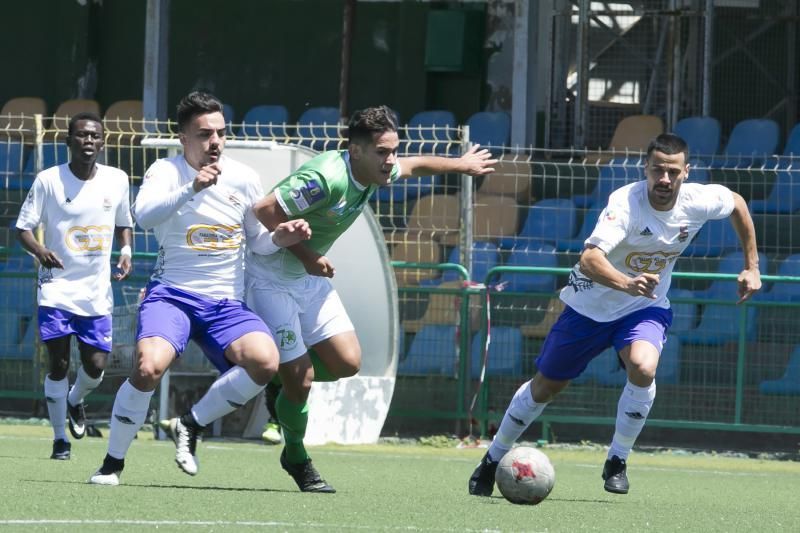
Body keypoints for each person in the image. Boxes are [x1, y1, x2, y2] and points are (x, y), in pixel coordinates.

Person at [468, 133, 762, 496]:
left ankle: (617, 460)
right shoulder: (625, 203)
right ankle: (492, 458)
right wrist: (625, 283)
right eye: (657, 170)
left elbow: (736, 203)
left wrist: (753, 266)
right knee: (546, 386)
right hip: (589, 308)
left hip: (644, 307)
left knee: (643, 366)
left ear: (686, 172)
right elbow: (589, 259)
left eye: (672, 172)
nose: (664, 180)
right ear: (646, 169)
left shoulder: (699, 200)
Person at [245, 105, 496, 492]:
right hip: (271, 279)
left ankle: (281, 378)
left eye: (393, 150)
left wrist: (460, 165)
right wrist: (309, 256)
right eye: (382, 152)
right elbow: (262, 211)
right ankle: (296, 456)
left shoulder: (374, 169)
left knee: (347, 363)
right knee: (304, 380)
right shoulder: (326, 178)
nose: (391, 160)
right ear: (356, 150)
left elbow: (414, 166)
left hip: (307, 280)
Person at [88, 91, 311, 485]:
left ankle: (190, 425)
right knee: (147, 367)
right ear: (183, 138)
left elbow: (257, 241)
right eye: (205, 134)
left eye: (221, 134)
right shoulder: (166, 171)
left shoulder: (243, 177)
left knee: (265, 361)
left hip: (225, 302)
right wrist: (192, 187)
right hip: (172, 294)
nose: (215, 143)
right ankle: (112, 464)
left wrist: (282, 237)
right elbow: (143, 216)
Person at [16, 112, 134, 460]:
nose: (88, 141)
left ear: (103, 142)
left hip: (96, 292)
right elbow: (23, 228)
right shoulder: (48, 180)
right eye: (81, 136)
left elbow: (124, 222)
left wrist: (125, 250)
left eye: (94, 136)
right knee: (58, 363)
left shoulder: (117, 180)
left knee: (96, 365)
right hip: (56, 288)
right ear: (68, 142)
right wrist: (41, 251)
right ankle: (59, 441)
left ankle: (74, 400)